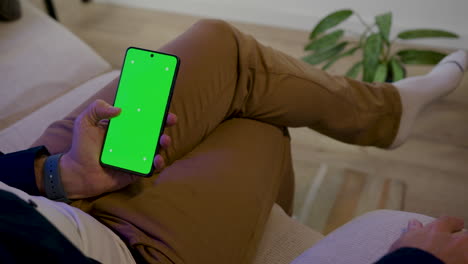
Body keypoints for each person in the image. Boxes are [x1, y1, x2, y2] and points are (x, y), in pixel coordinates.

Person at [0, 19, 467, 264]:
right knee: (261, 116)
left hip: (37, 190)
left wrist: (59, 174)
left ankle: (390, 111)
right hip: (114, 250)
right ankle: (388, 113)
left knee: (220, 43)